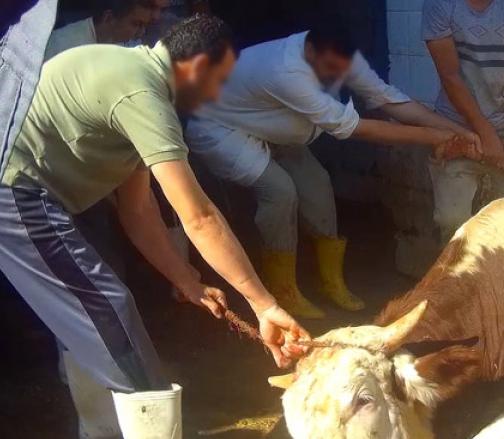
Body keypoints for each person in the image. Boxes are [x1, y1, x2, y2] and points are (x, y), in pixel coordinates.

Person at [0, 15, 309, 439]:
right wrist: (263, 304)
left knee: (89, 301)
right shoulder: (140, 93)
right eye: (218, 81)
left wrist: (186, 280)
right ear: (197, 67)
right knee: (106, 302)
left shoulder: (137, 82)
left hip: (17, 190)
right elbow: (198, 217)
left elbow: (139, 211)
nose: (216, 96)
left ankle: (102, 424)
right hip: (8, 190)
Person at [186, 22, 477, 319]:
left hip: (274, 128)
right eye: (329, 69)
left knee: (318, 185)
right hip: (222, 130)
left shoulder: (337, 56)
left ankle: (332, 282)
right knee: (280, 191)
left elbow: (386, 98)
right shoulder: (285, 71)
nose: (335, 76)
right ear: (309, 50)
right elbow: (354, 128)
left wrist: (453, 130)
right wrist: (433, 138)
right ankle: (282, 290)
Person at [422, 0, 504, 244]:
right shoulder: (440, 5)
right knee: (452, 223)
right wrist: (485, 133)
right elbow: (450, 76)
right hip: (454, 129)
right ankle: (461, 280)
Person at [44, 0, 156, 59]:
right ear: (108, 18)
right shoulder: (64, 46)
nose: (141, 33)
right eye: (137, 24)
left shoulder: (124, 43)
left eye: (144, 26)